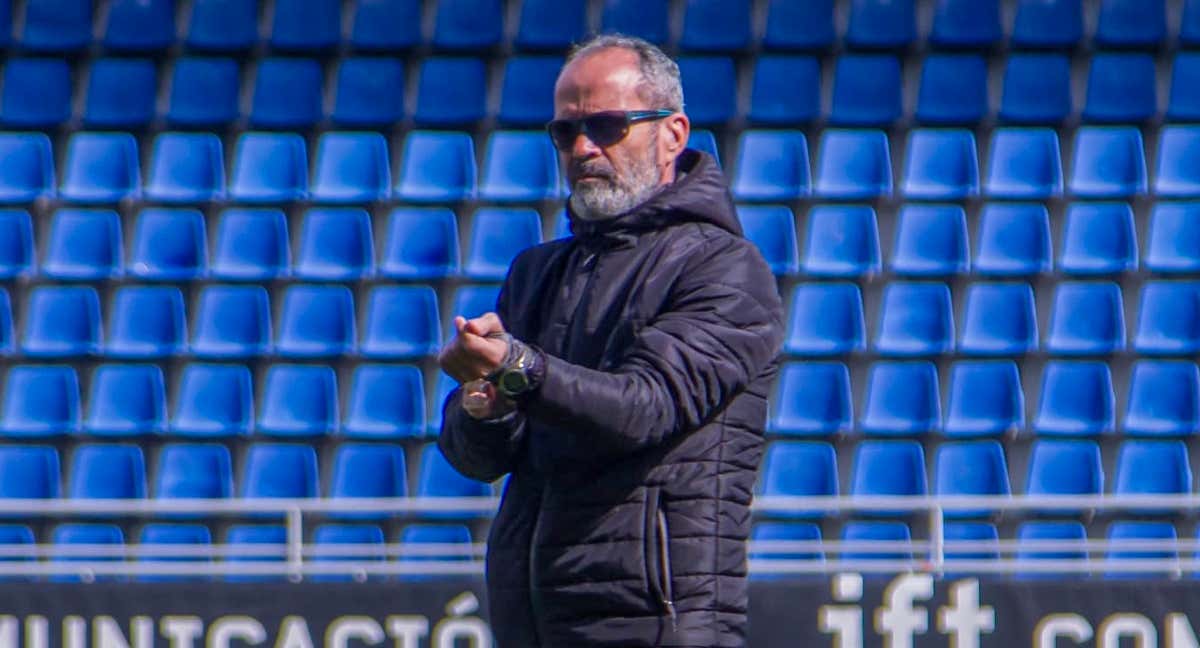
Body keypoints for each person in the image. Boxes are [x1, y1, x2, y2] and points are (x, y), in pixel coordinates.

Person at [437, 34, 785, 648]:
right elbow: (480, 459)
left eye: (607, 125)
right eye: (564, 132)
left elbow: (641, 408)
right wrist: (481, 401)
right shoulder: (536, 272)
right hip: (536, 623)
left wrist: (516, 366)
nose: (583, 148)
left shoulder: (724, 269)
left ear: (673, 134)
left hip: (658, 624)